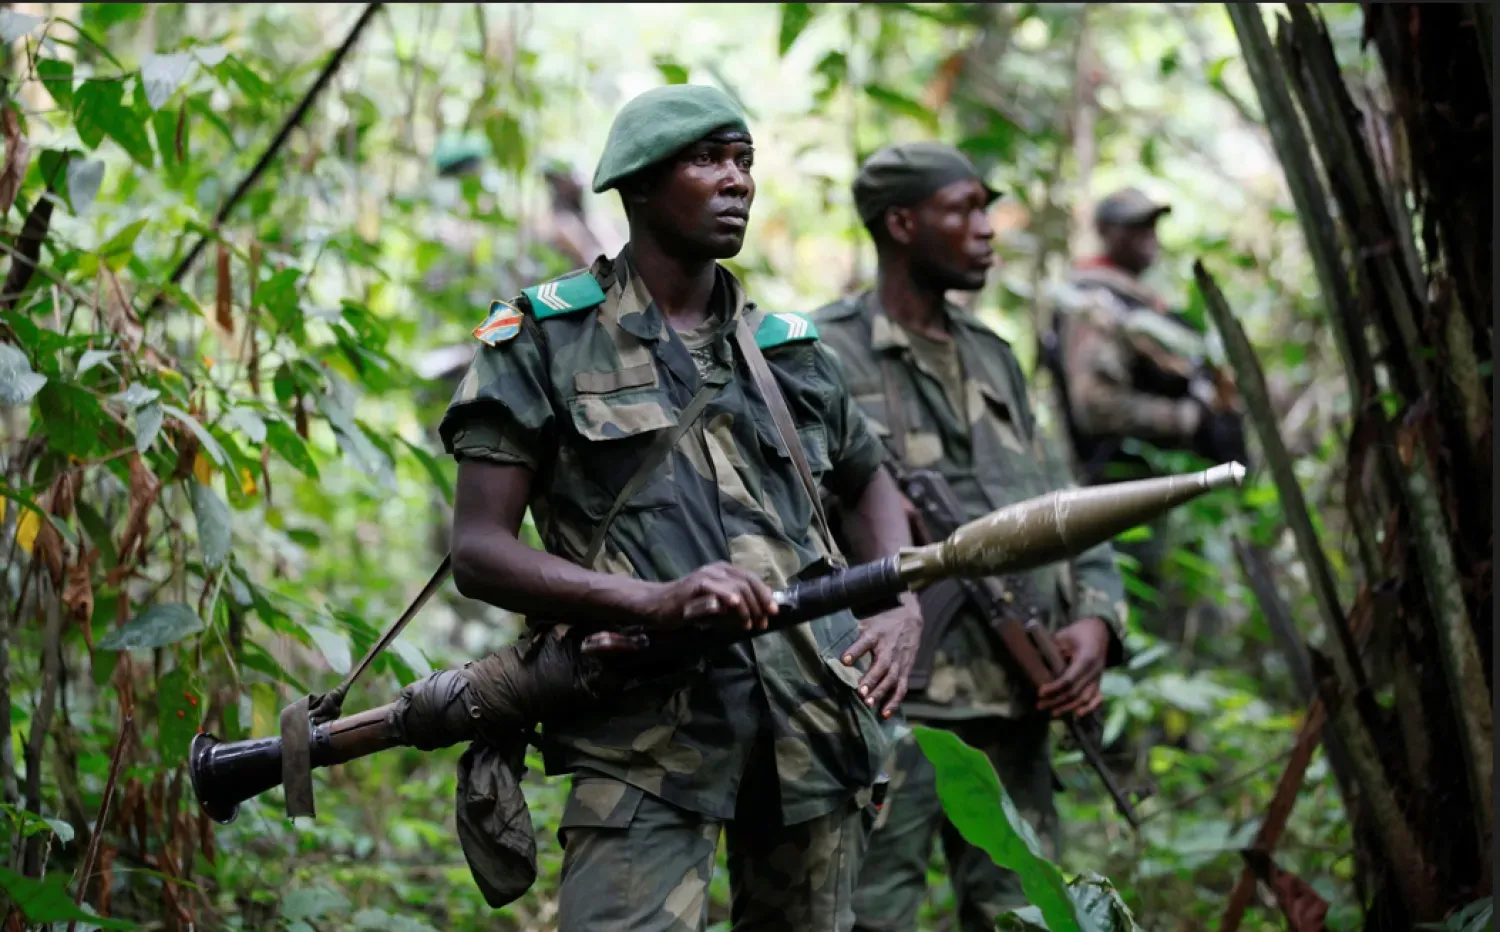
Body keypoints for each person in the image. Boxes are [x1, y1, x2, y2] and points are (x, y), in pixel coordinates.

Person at [438, 84, 924, 931]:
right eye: (708, 160)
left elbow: (869, 477)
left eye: (745, 160)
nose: (737, 180)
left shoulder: (791, 354)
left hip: (811, 726)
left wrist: (899, 603)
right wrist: (652, 601)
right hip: (642, 741)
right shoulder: (542, 340)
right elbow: (479, 550)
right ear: (637, 186)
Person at [812, 142, 1130, 931]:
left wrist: (1095, 618)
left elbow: (1063, 503)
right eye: (964, 209)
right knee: (870, 918)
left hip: (1016, 702)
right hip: (884, 709)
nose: (986, 229)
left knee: (1022, 916)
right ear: (901, 223)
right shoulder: (820, 351)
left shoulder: (994, 358)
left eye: (986, 209)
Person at [1039, 186, 1249, 645]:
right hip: (1118, 491)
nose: (1149, 236)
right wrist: (1188, 420)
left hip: (1158, 489)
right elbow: (1096, 406)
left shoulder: (1136, 301)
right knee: (1134, 623)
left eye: (1152, 225)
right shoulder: (1095, 303)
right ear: (1106, 233)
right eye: (1135, 227)